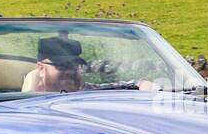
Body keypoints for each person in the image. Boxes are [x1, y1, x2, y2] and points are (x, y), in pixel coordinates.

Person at [22, 35, 159, 93]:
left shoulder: (88, 92)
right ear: (40, 68)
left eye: (74, 65)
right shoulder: (23, 102)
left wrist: (144, 86)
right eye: (61, 66)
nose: (69, 71)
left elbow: (127, 87)